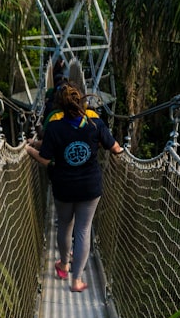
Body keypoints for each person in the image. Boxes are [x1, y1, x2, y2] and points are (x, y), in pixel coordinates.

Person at [25, 82, 124, 292]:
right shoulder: (95, 123)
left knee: (65, 225)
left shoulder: (54, 127)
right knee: (83, 230)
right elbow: (116, 149)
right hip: (90, 187)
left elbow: (44, 159)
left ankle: (63, 264)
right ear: (83, 102)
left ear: (59, 106)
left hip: (64, 186)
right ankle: (77, 280)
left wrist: (28, 149)